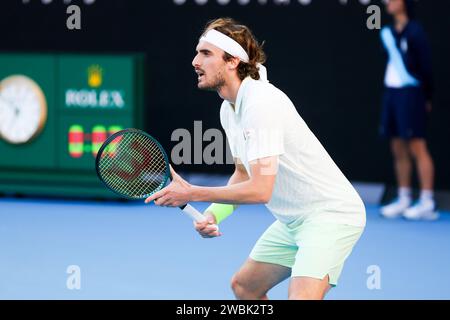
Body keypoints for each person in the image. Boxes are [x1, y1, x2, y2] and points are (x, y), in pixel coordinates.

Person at [145, 18, 366, 300]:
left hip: (330, 216)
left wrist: (191, 193)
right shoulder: (229, 107)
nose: (194, 61)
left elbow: (261, 190)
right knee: (245, 287)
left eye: (206, 53)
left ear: (233, 61)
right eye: (197, 52)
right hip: (293, 221)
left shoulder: (261, 104)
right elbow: (244, 172)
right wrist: (214, 213)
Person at [379, 0, 438, 220]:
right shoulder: (387, 31)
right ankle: (404, 197)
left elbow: (426, 68)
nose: (387, 2)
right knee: (397, 147)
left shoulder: (416, 32)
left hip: (412, 93)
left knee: (417, 146)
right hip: (392, 94)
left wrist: (427, 97)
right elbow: (370, 21)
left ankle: (427, 201)